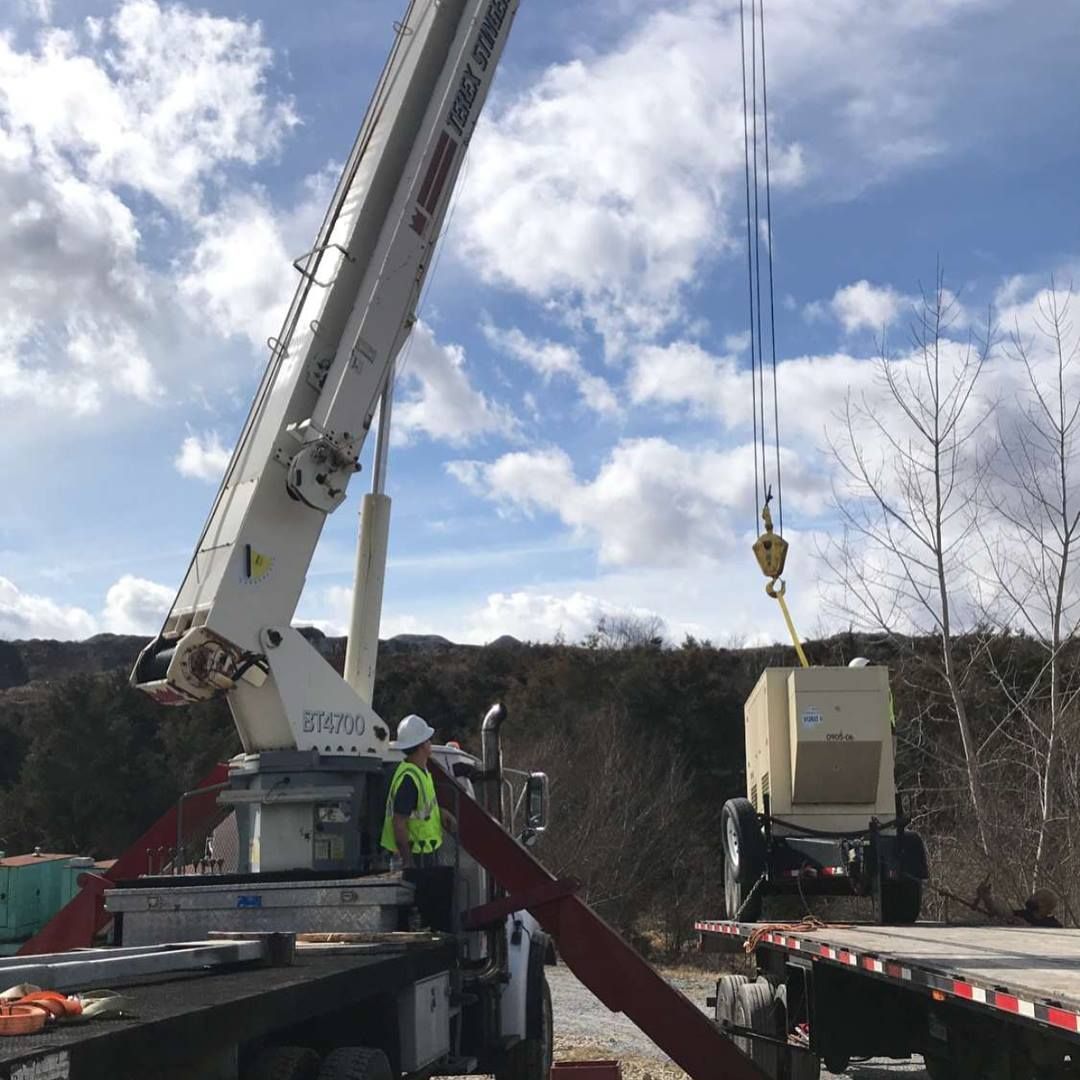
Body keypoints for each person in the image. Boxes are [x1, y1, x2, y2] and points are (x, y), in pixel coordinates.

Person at [379, 714, 456, 869]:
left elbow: (421, 810)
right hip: (417, 856)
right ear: (421, 745)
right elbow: (398, 823)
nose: (430, 743)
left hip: (425, 851)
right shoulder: (409, 779)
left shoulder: (420, 772)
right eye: (428, 740)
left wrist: (439, 812)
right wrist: (408, 862)